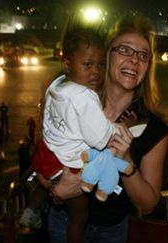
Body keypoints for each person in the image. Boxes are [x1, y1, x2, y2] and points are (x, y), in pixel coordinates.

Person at [42, 14, 168, 243]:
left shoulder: (154, 130)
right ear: (106, 55)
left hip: (111, 231)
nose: (134, 60)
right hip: (63, 220)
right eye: (125, 50)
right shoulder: (70, 98)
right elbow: (41, 146)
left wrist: (127, 160)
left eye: (143, 55)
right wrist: (54, 187)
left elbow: (148, 204)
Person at [24, 25, 111, 242]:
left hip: (46, 152)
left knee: (44, 185)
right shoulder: (84, 96)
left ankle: (30, 211)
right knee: (79, 217)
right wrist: (114, 128)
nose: (96, 71)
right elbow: (99, 140)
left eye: (101, 64)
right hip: (68, 167)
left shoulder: (57, 86)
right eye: (88, 64)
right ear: (67, 64)